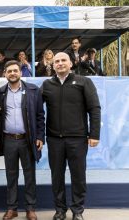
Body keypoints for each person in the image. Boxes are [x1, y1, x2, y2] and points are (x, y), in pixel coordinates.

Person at [41, 52, 101, 220]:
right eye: (56, 61)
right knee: (57, 176)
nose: (60, 63)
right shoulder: (47, 84)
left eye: (63, 60)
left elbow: (94, 109)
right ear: (53, 65)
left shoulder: (84, 82)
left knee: (78, 177)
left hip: (78, 139)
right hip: (54, 139)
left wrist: (94, 134)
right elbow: (36, 108)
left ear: (70, 63)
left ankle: (77, 211)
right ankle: (60, 210)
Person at [0, 60, 45, 220]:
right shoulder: (1, 92)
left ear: (20, 72)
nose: (12, 73)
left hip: (27, 140)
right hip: (9, 140)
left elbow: (40, 116)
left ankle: (30, 208)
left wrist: (40, 137)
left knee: (29, 175)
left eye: (15, 70)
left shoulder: (33, 90)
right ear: (5, 74)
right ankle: (12, 208)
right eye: (9, 71)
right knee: (11, 176)